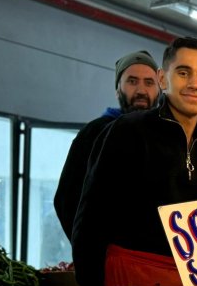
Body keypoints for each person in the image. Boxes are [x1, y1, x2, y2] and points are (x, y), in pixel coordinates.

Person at [72, 37, 197, 286]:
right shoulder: (127, 132)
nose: (194, 83)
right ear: (163, 78)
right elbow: (90, 218)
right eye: (183, 72)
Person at [54, 50, 160, 241]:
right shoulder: (94, 133)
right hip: (108, 260)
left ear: (159, 89)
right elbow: (66, 199)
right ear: (118, 89)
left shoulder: (168, 139)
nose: (141, 90)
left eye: (149, 82)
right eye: (132, 81)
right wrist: (90, 254)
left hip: (154, 264)